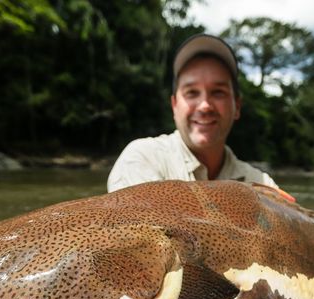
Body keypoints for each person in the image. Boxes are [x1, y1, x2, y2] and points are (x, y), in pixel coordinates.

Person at [107, 34, 278, 193]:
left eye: (218, 92)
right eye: (192, 93)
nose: (205, 106)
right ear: (174, 105)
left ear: (237, 107)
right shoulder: (142, 158)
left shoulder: (262, 184)